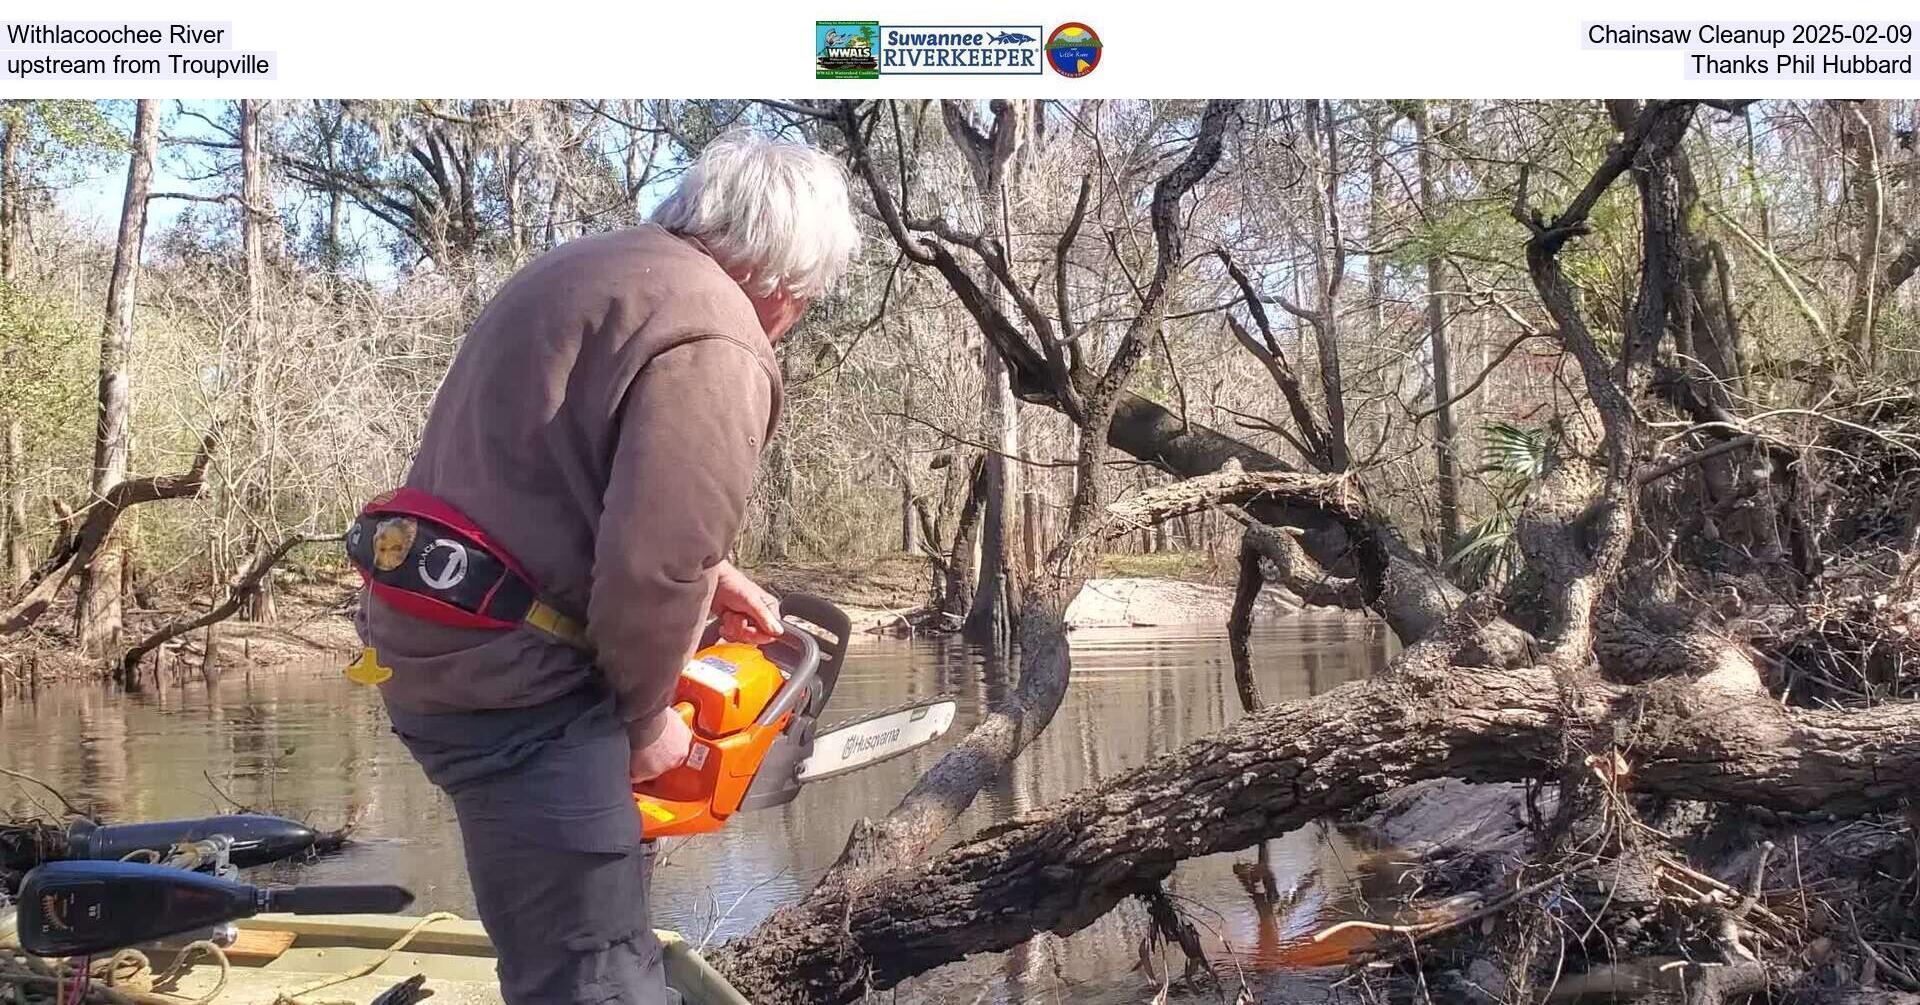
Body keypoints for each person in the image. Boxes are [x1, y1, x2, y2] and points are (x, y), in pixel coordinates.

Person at [350, 132, 861, 1004]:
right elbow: (657, 566)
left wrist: (716, 574)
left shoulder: (589, 272)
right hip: (517, 686)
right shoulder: (719, 334)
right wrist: (646, 716)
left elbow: (551, 479)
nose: (792, 318)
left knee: (567, 942)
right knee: (592, 975)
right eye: (804, 300)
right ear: (782, 281)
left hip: (434, 650)